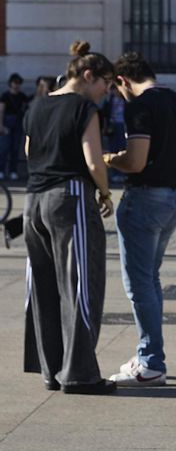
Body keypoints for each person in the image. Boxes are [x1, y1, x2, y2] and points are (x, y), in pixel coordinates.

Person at [22, 41, 116, 395]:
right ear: (88, 75)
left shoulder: (38, 104)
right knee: (80, 286)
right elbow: (93, 161)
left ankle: (51, 370)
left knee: (43, 287)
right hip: (70, 197)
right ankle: (80, 374)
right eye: (105, 83)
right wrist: (105, 193)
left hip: (33, 201)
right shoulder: (84, 108)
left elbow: (29, 150)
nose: (106, 92)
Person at [102, 51, 176, 386]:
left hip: (144, 198)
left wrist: (109, 159)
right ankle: (148, 353)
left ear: (122, 80)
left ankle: (151, 361)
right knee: (150, 279)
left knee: (139, 283)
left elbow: (136, 162)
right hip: (173, 198)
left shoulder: (139, 106)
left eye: (118, 89)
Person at [0, 73, 29, 180]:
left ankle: (13, 170)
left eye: (18, 83)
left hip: (18, 123)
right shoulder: (5, 96)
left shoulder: (22, 96)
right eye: (15, 83)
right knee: (4, 148)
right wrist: (1, 125)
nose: (16, 85)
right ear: (11, 83)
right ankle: (1, 170)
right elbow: (1, 111)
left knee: (15, 148)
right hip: (7, 122)